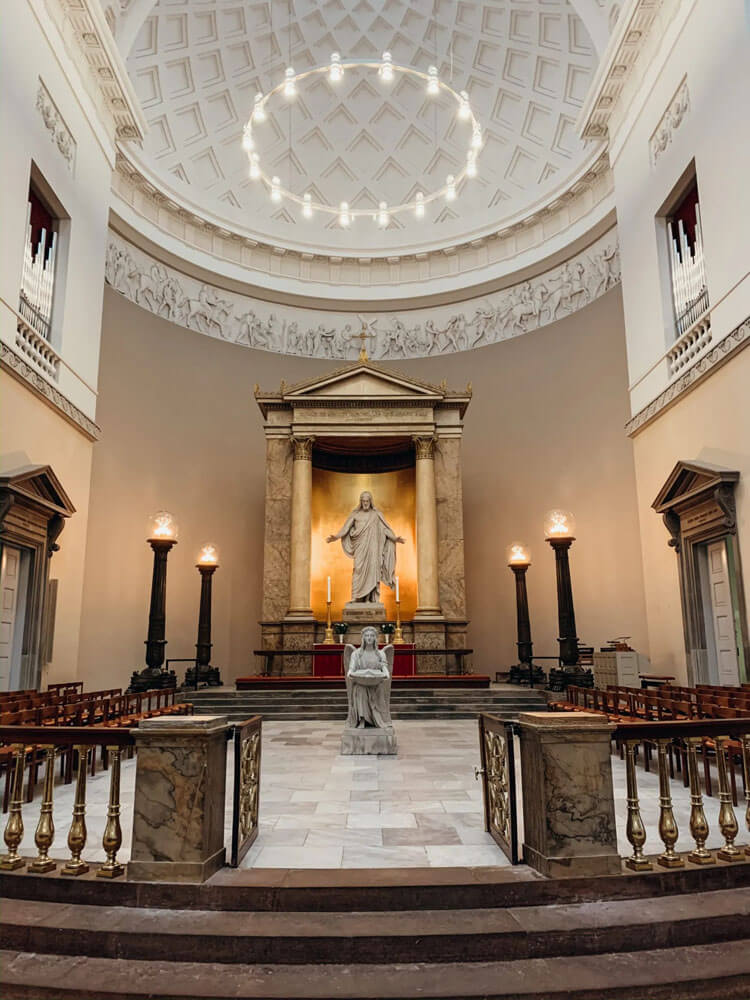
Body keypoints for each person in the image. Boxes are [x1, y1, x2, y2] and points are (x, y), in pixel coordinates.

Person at [326, 491, 404, 603]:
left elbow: (385, 529)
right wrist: (336, 537)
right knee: (358, 570)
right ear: (361, 502)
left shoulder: (376, 515)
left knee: (372, 570)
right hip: (360, 548)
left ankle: (369, 599)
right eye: (363, 501)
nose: (366, 503)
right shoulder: (355, 514)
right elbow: (346, 528)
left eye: (367, 501)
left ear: (370, 501)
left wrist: (395, 538)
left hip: (373, 549)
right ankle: (355, 597)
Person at [345, 626, 392, 729]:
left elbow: (384, 668)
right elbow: (351, 669)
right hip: (361, 682)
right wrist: (349, 672)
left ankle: (377, 719)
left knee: (377, 688)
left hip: (375, 684)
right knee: (360, 689)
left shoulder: (380, 654)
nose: (369, 638)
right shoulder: (356, 654)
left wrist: (386, 673)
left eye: (372, 636)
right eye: (367, 636)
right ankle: (362, 720)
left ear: (375, 638)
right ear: (363, 638)